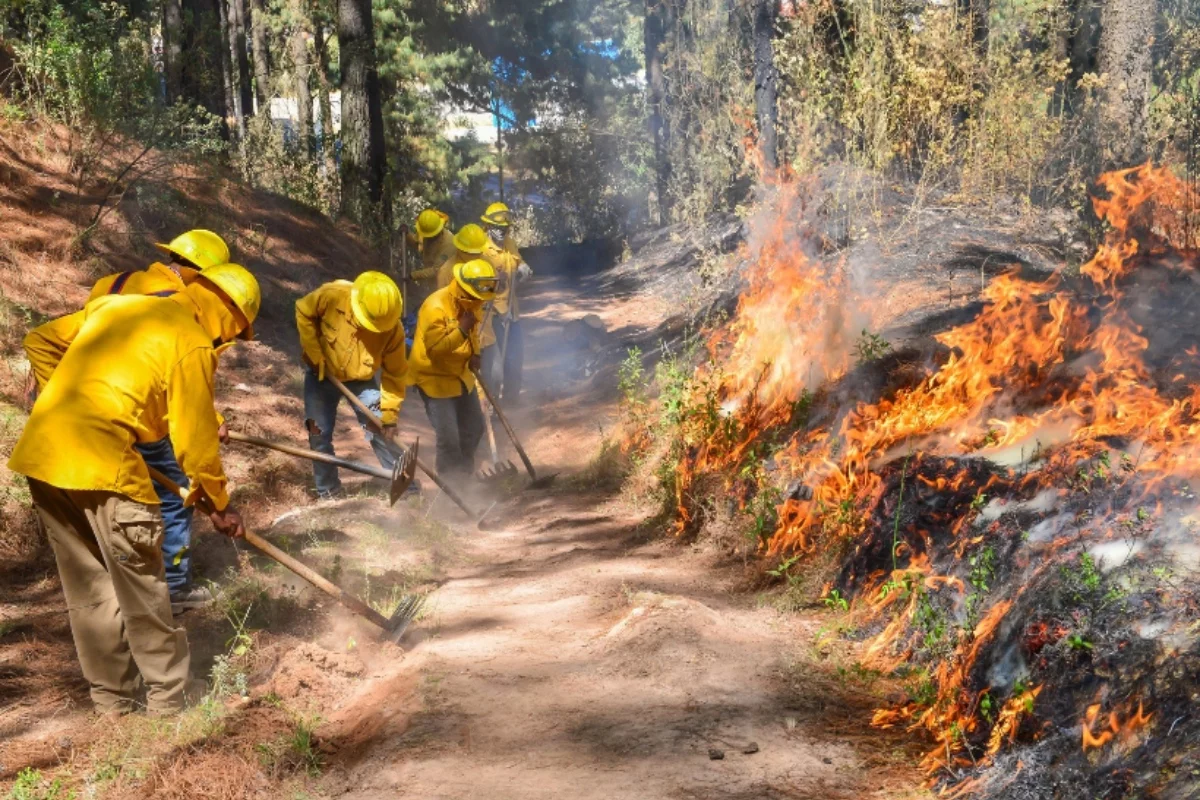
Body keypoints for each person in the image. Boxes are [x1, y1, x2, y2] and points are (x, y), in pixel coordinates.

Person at [8, 264, 260, 716]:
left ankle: (114, 702)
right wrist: (220, 504)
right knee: (141, 585)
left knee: (90, 590)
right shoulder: (191, 340)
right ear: (228, 315)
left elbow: (41, 340)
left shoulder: (116, 307)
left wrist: (65, 406)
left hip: (45, 455)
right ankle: (171, 700)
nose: (230, 342)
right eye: (236, 333)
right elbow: (196, 443)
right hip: (103, 462)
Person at [28, 229, 235, 614]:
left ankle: (122, 582)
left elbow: (86, 348)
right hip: (141, 421)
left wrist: (59, 394)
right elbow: (175, 378)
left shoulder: (114, 284)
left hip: (91, 419)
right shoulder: (181, 304)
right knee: (175, 498)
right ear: (204, 275)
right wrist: (211, 422)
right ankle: (173, 587)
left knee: (112, 518)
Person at [295, 271, 408, 500]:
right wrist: (314, 354)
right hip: (321, 375)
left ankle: (405, 487)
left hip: (361, 380)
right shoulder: (332, 296)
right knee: (318, 434)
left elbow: (395, 374)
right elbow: (303, 311)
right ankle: (329, 492)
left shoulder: (393, 329)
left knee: (380, 428)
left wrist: (389, 417)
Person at [407, 259, 498, 481]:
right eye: (475, 297)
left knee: (475, 426)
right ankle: (450, 483)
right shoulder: (434, 307)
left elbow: (473, 333)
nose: (479, 301)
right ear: (464, 289)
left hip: (460, 373)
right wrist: (461, 330)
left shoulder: (472, 302)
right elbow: (436, 351)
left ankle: (463, 475)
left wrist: (475, 353)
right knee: (448, 437)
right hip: (434, 378)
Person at [479, 203, 533, 404]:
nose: (502, 232)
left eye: (505, 228)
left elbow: (518, 261)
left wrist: (523, 268)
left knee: (515, 358)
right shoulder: (481, 250)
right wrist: (494, 282)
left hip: (512, 312)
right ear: (488, 226)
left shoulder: (509, 243)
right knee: (494, 365)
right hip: (490, 314)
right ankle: (491, 403)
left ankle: (512, 400)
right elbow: (477, 286)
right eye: (498, 227)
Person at [408, 209, 456, 306]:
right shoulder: (426, 229)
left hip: (444, 285)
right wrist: (407, 235)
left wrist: (412, 275)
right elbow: (418, 245)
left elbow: (435, 270)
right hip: (429, 281)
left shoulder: (449, 244)